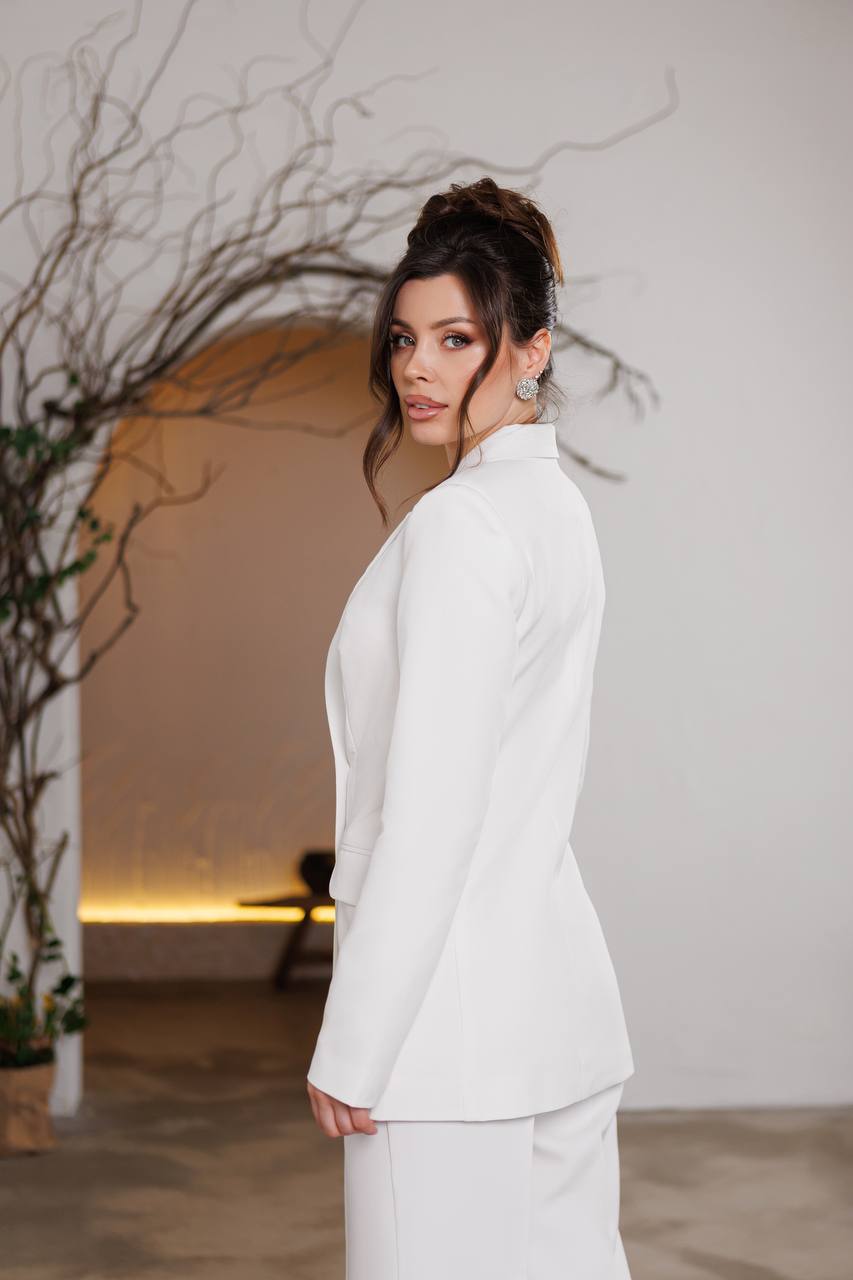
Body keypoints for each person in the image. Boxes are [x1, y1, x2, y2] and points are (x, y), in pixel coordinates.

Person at [306, 176, 635, 1279]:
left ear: (532, 348)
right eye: (405, 338)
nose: (417, 367)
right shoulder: (558, 512)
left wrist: (355, 1041)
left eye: (456, 337)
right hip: (557, 1014)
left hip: (445, 1039)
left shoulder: (461, 529)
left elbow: (433, 814)